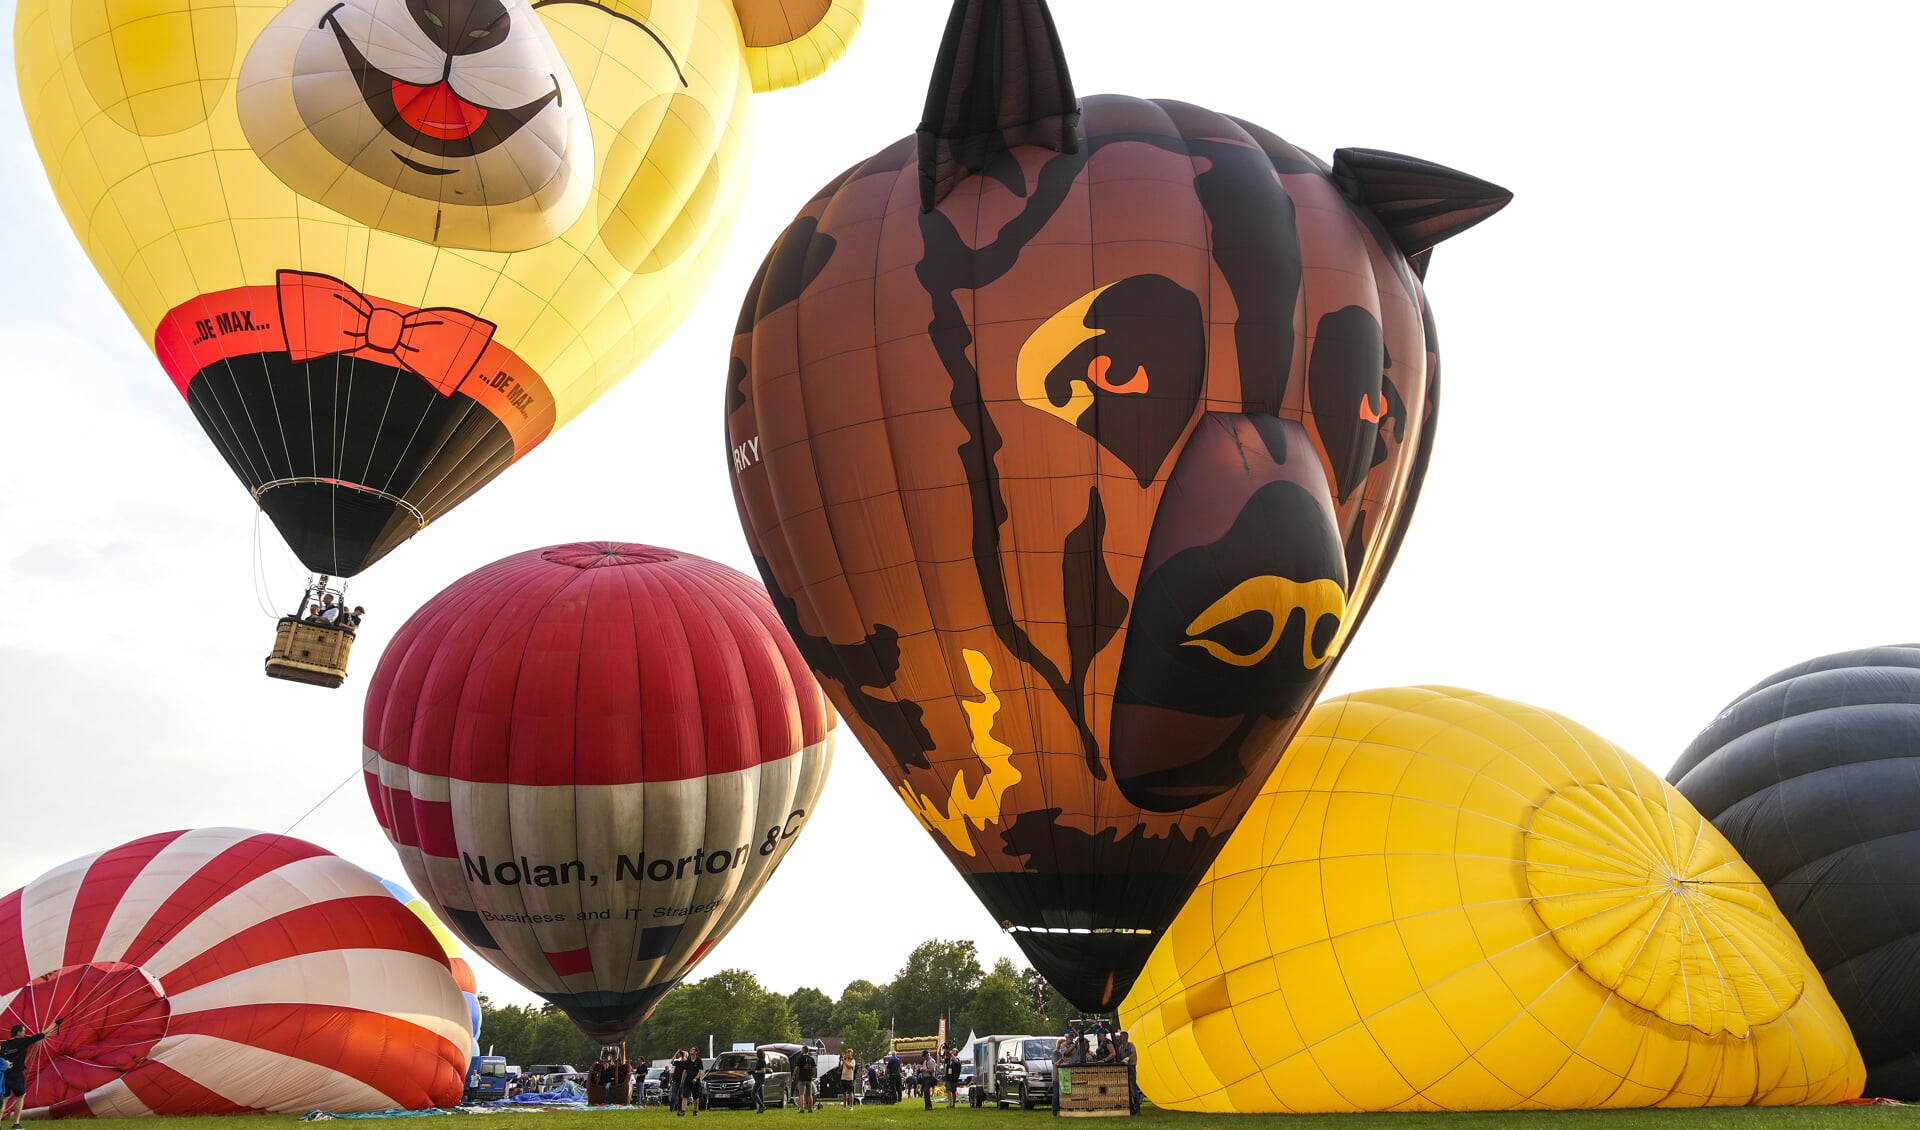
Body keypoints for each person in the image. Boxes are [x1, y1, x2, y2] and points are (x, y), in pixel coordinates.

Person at [1, 1019, 61, 1130]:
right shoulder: (22, 1041)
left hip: (4, 1075)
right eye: (23, 1031)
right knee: (20, 1098)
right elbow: (41, 1035)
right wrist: (55, 1024)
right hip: (17, 1075)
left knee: (3, 1100)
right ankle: (16, 1124)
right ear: (18, 1033)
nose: (24, 1033)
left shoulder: (4, 1045)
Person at [1112, 1031, 1140, 1115]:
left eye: (1120, 1036)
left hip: (1131, 1067)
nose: (1119, 1038)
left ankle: (1137, 1108)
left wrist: (1128, 1058)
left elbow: (1134, 1053)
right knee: (1126, 1088)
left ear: (1125, 1037)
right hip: (1124, 1068)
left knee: (1133, 1088)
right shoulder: (1120, 1047)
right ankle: (1130, 1108)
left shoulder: (1130, 1045)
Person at [792, 1045, 817, 1113]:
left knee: (801, 1094)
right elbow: (815, 1068)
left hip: (802, 1078)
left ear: (803, 1050)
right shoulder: (811, 1059)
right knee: (810, 1094)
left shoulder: (800, 1058)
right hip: (809, 1079)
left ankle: (802, 1108)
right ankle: (810, 1109)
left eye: (801, 1050)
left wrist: (793, 1075)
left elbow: (797, 1067)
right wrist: (812, 1074)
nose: (801, 1051)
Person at [750, 1047, 768, 1114]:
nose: (756, 1054)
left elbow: (763, 1071)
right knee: (760, 1094)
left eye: (757, 1053)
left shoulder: (762, 1061)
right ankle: (761, 1109)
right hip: (758, 1078)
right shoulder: (759, 1061)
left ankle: (762, 1105)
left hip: (760, 1079)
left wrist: (756, 1071)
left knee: (753, 1093)